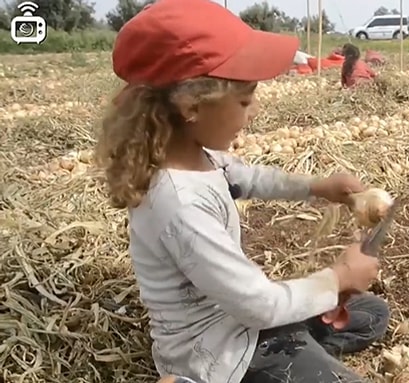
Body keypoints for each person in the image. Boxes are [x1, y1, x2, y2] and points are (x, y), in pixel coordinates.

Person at [94, 1, 390, 382]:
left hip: (244, 318)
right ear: (193, 106)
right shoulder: (179, 204)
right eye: (245, 100)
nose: (254, 112)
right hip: (218, 354)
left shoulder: (199, 157)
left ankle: (298, 353)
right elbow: (259, 305)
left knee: (371, 314)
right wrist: (337, 277)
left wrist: (318, 186)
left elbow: (250, 179)